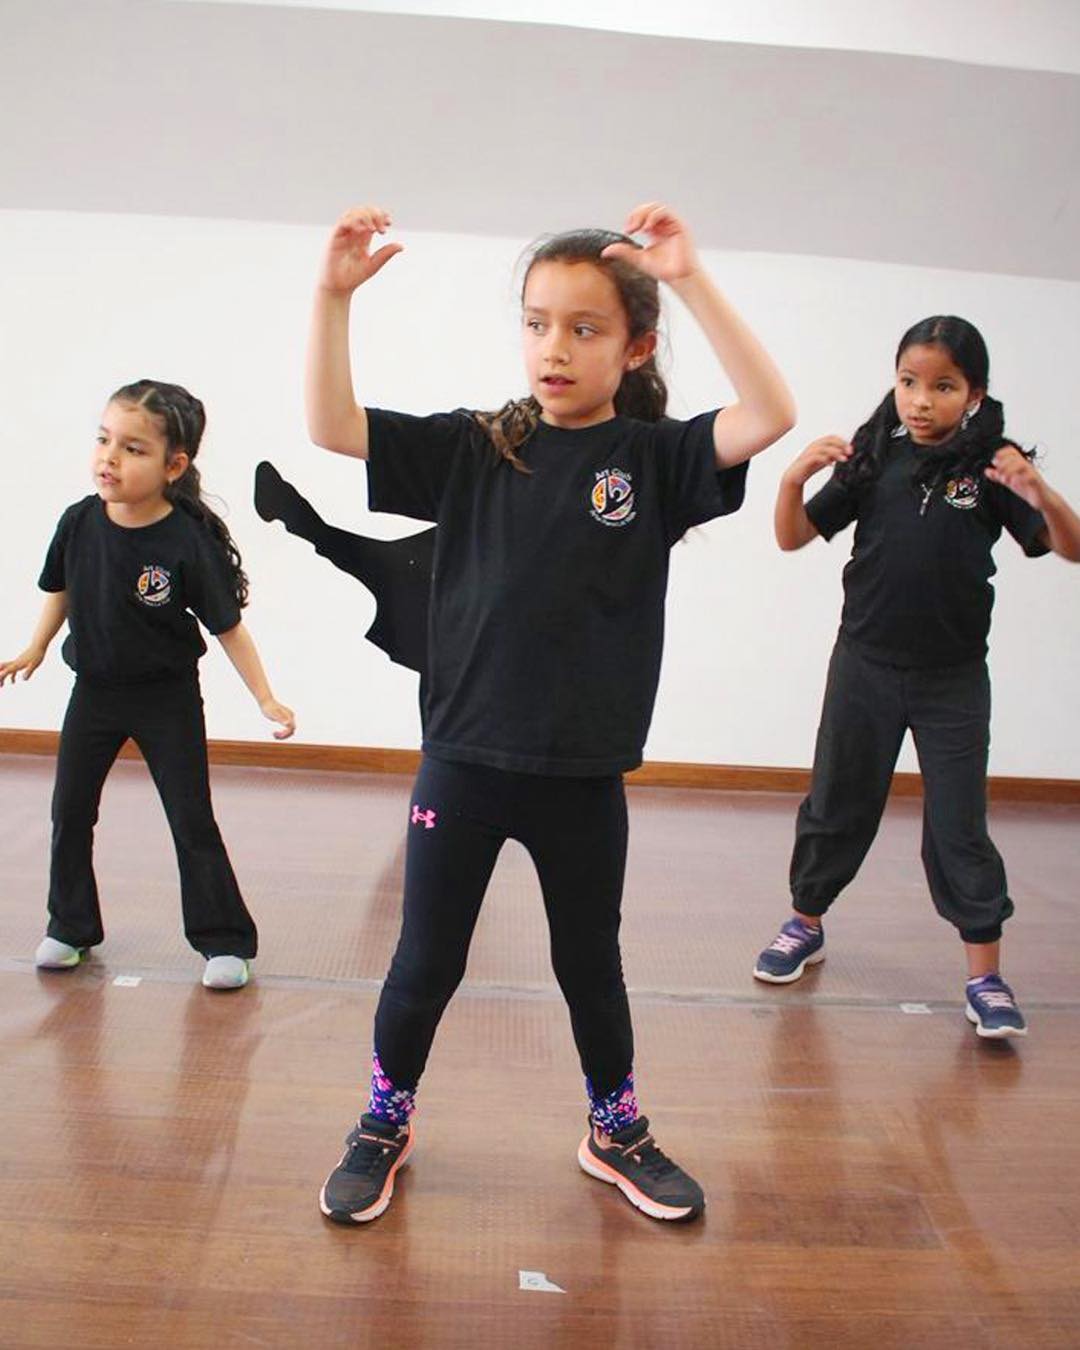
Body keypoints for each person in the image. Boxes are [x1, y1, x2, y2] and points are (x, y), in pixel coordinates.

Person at [306, 201, 795, 1224]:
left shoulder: (655, 462)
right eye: (537, 323)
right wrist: (332, 297)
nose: (555, 348)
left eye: (584, 327)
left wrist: (694, 279)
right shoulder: (483, 446)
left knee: (590, 963)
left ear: (635, 345)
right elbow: (332, 428)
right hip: (464, 761)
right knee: (425, 959)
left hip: (581, 772)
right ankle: (382, 1123)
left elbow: (770, 414)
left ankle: (614, 1129)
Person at [754, 317, 1080, 1039]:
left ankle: (985, 977)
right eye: (908, 382)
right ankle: (805, 923)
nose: (920, 400)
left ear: (974, 393)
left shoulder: (994, 467)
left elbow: (1071, 547)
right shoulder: (873, 457)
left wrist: (1042, 491)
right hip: (863, 667)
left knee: (959, 825)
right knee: (838, 803)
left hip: (952, 679)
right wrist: (791, 477)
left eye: (942, 386)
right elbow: (791, 536)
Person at [0, 380, 296, 989]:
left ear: (174, 465)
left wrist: (264, 696)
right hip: (95, 693)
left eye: (133, 449)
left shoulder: (184, 541)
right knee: (70, 811)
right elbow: (60, 588)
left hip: (166, 699)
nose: (109, 457)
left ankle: (224, 940)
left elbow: (228, 630)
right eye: (104, 440)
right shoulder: (79, 522)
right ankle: (71, 926)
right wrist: (37, 645)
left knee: (191, 817)